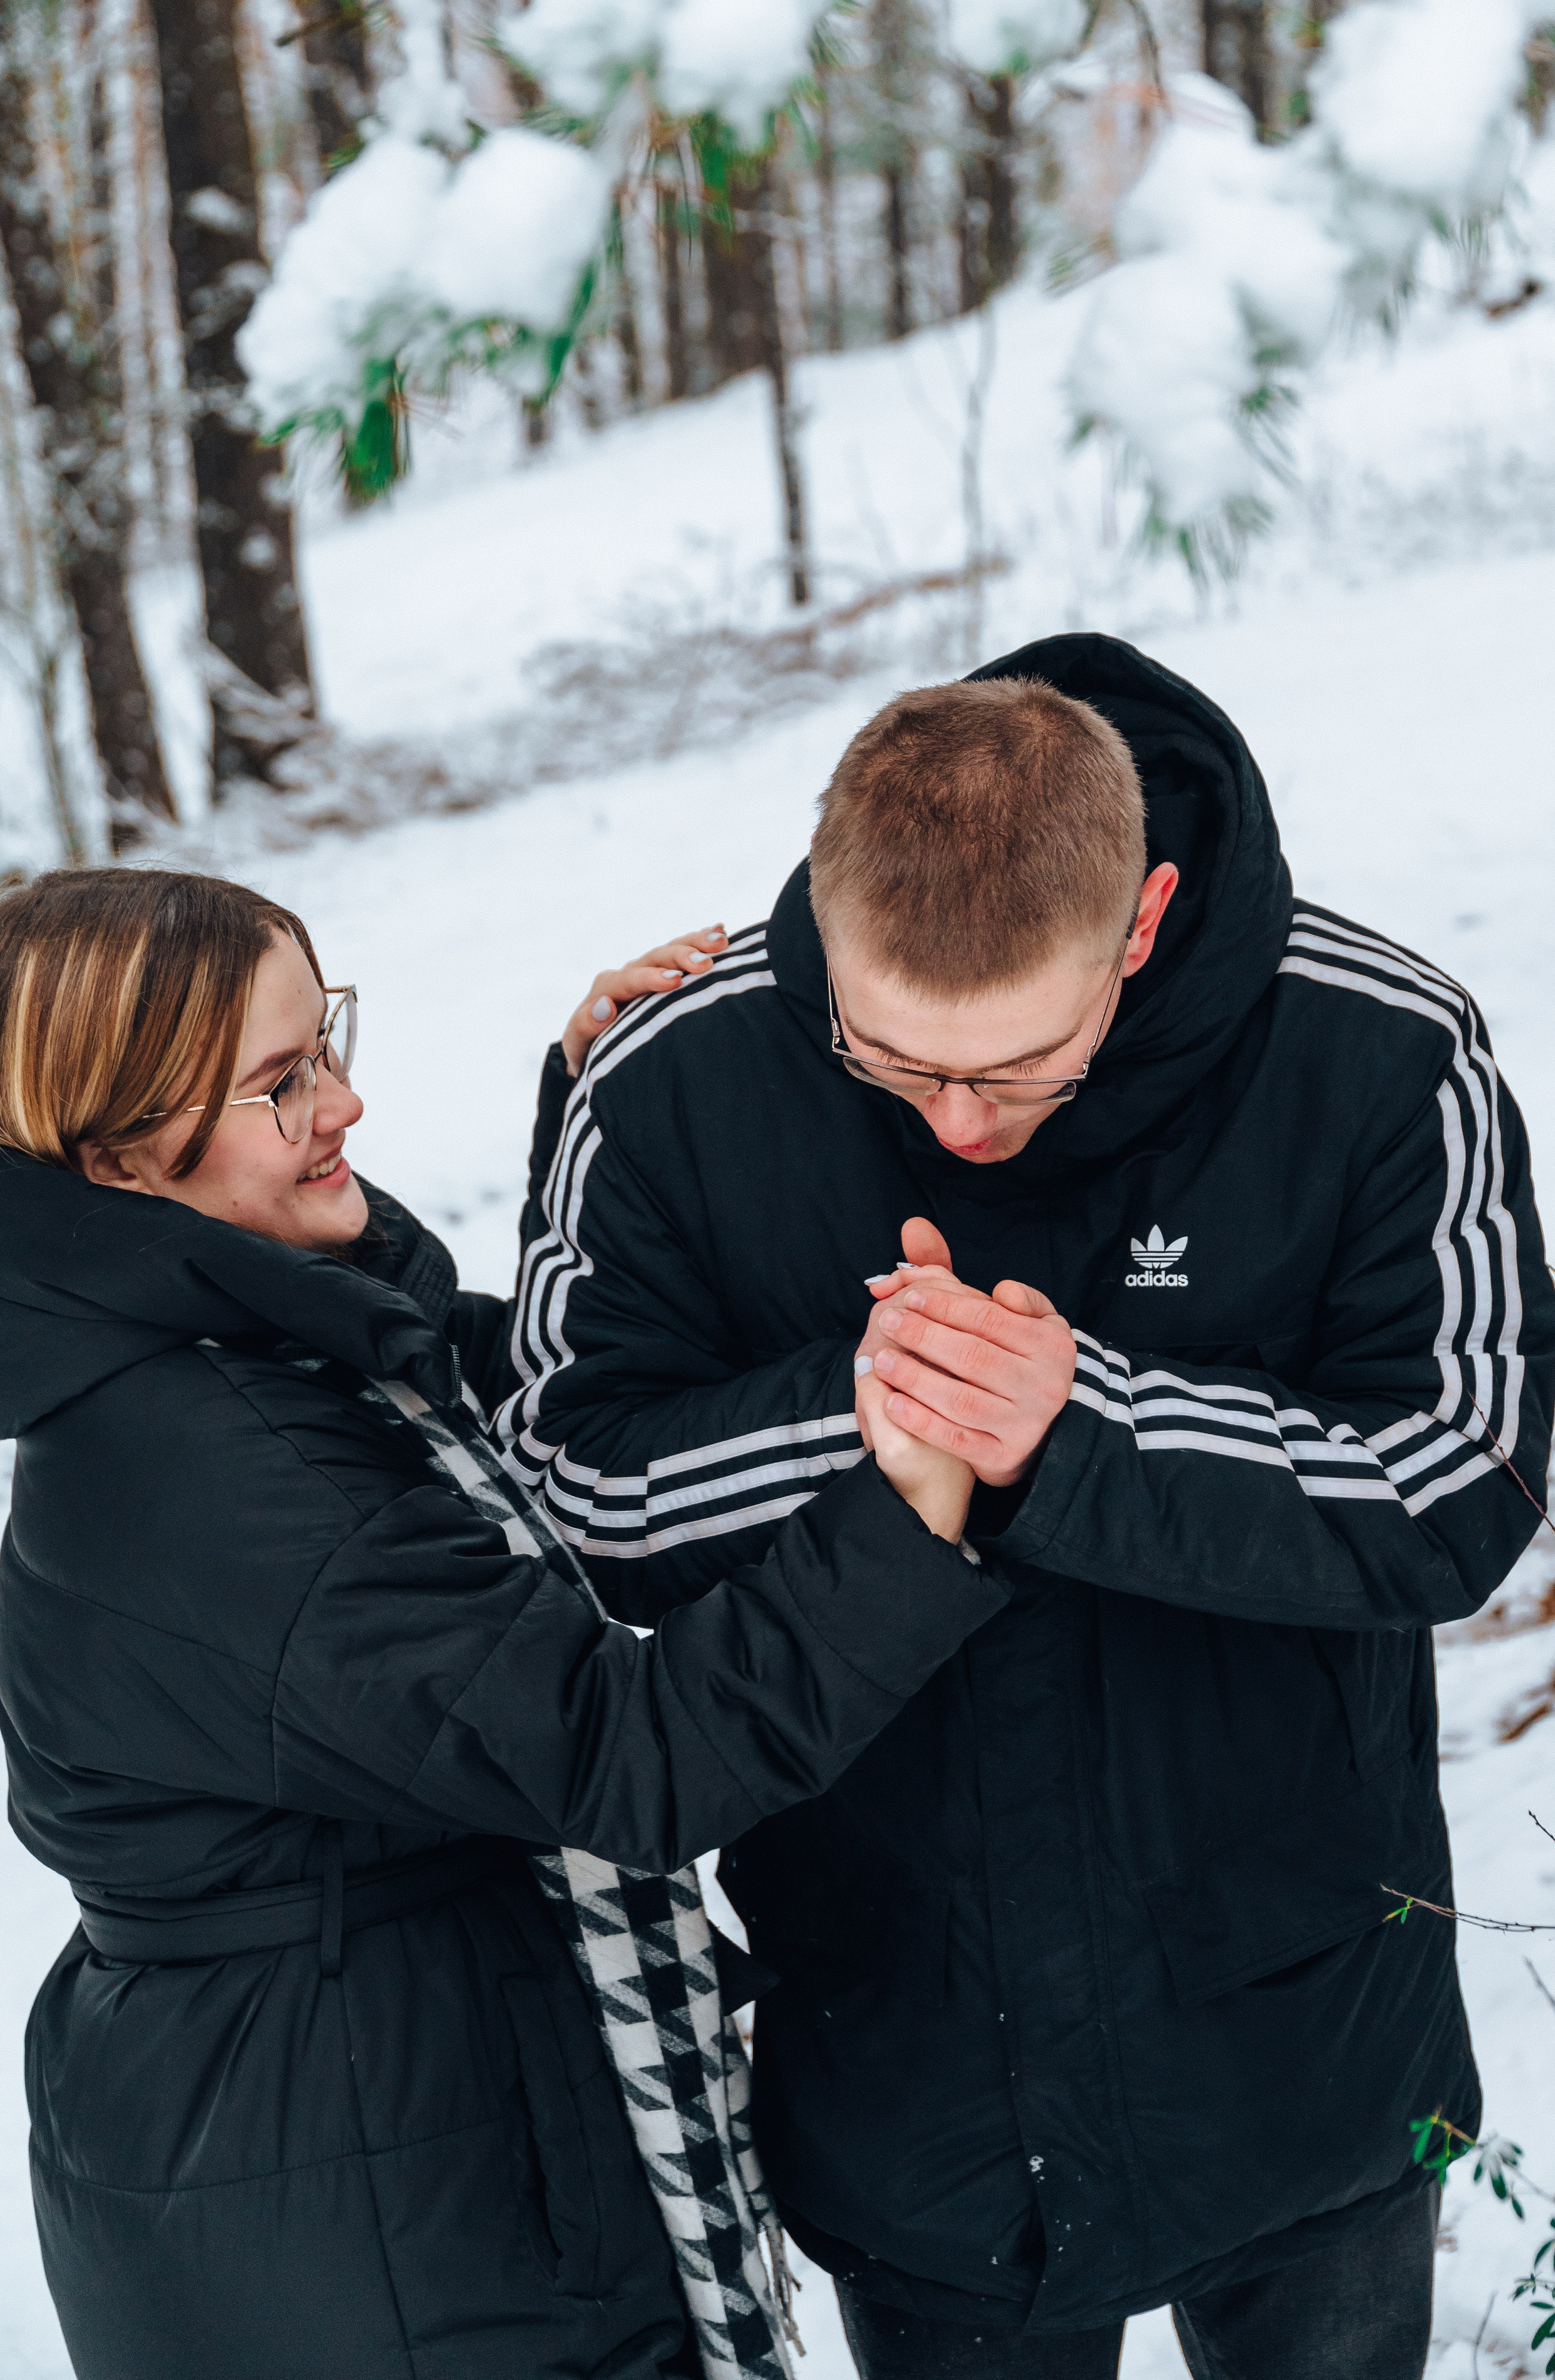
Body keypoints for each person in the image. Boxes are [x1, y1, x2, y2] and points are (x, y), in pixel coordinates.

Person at [496, 633, 1555, 2380]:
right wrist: (876, 1406)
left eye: (1022, 1066)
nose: (960, 1122)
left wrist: (1088, 1427)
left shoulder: (1380, 1050)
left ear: (1139, 926)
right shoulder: (675, 1073)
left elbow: (1464, 1481)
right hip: (904, 2044)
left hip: (1302, 2030)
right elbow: (570, 1487)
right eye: (893, 1063)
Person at [0, 867, 1014, 2380]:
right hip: (375, 2206)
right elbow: (632, 1758)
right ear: (117, 1156)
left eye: (323, 1040)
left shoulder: (236, 1339)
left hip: (362, 2105)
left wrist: (588, 1129)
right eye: (280, 1084)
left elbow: (514, 1403)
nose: (345, 1106)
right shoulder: (222, 1470)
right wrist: (908, 1506)